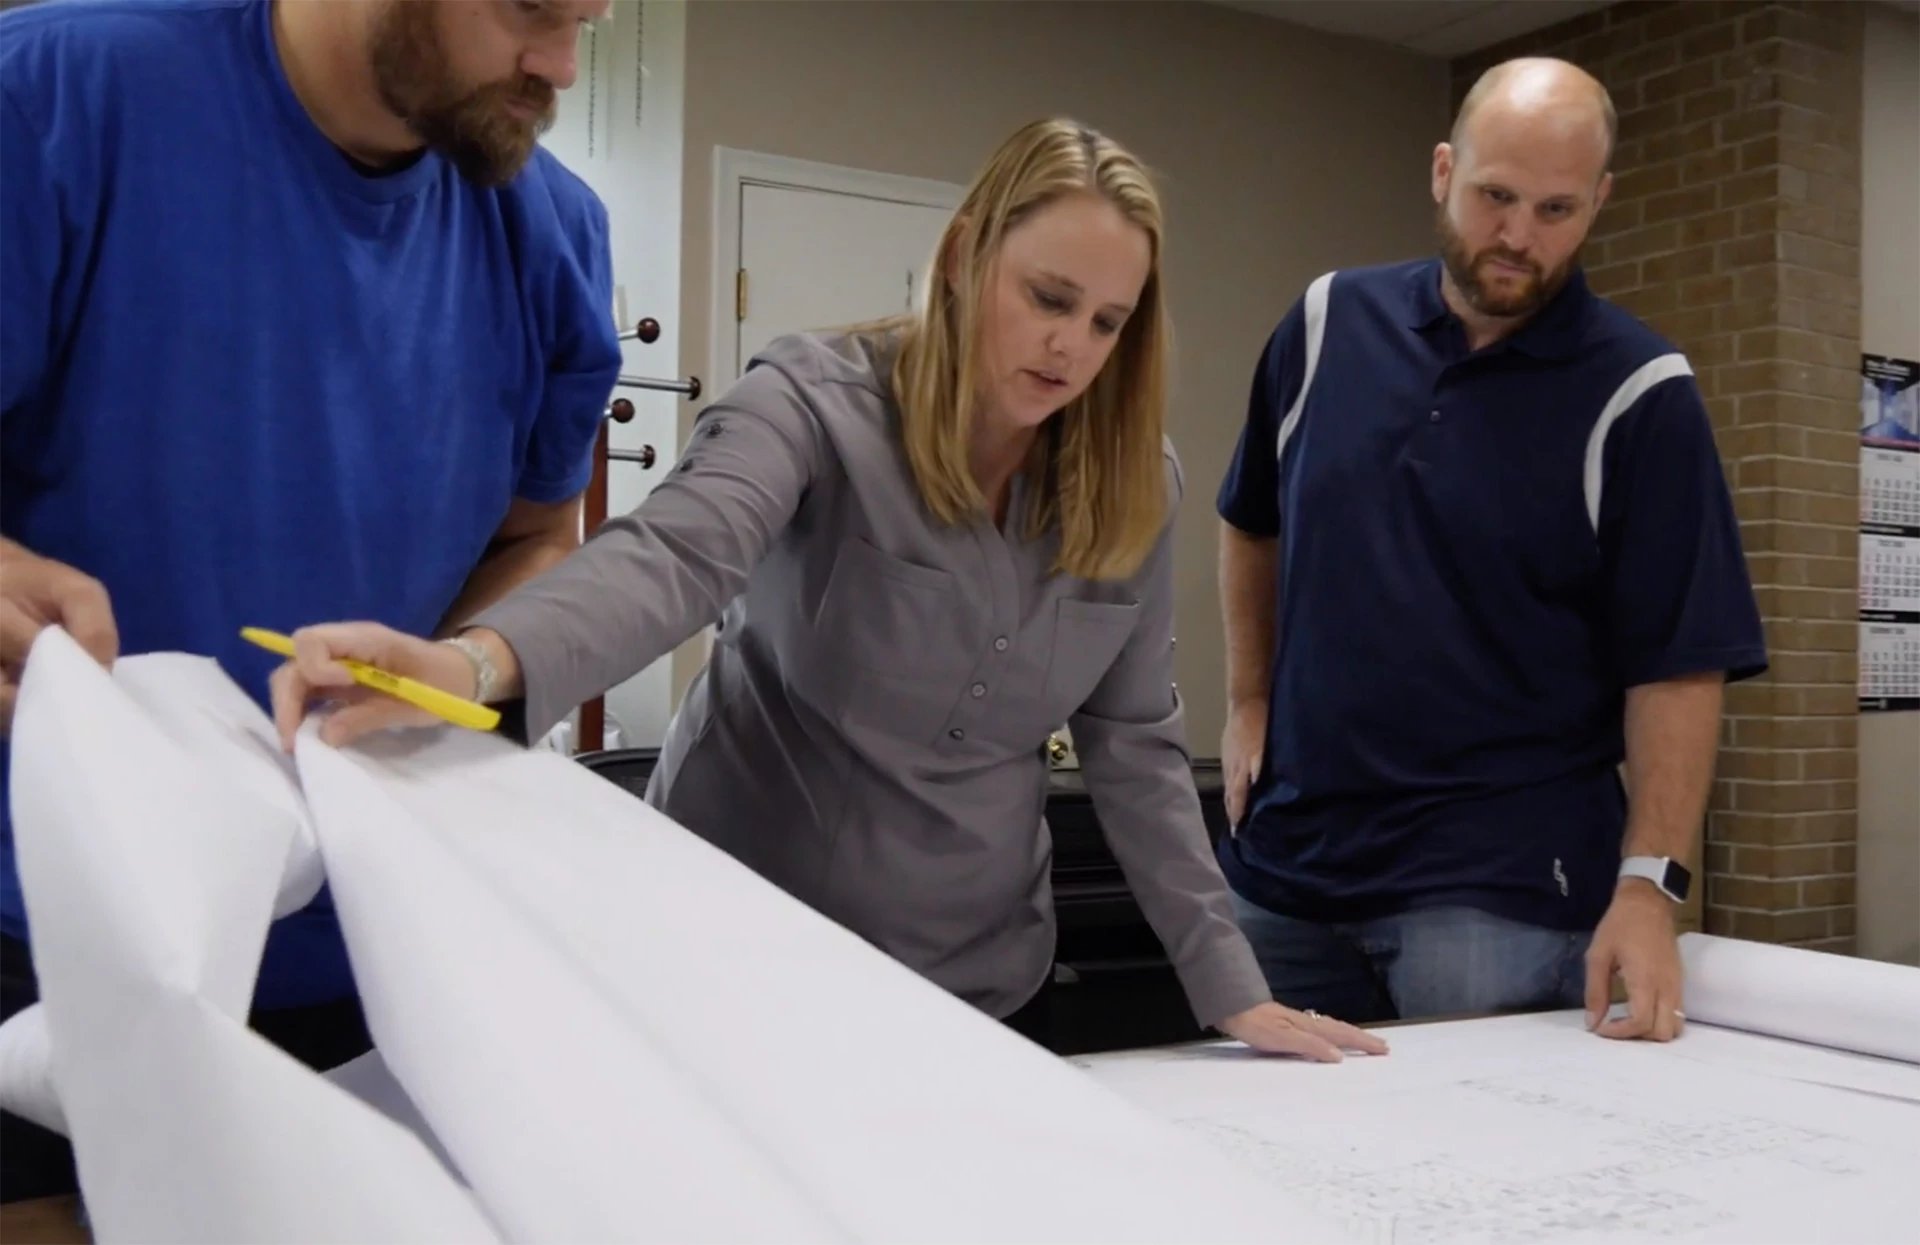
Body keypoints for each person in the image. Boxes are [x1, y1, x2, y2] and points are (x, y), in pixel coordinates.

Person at [268, 117, 1388, 1067]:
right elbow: (675, 555)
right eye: (1049, 297)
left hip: (982, 992)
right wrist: (474, 664)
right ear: (965, 255)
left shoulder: (1137, 484)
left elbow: (1136, 746)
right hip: (737, 962)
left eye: (1108, 321)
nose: (1071, 347)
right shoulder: (814, 402)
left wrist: (1228, 985)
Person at [1, 0, 617, 1201]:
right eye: (534, 9)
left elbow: (542, 537)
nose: (564, 66)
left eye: (589, 19)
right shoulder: (56, 102)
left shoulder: (552, 230)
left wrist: (457, 668)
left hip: (374, 962)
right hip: (43, 948)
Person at [1214, 58, 1767, 1041]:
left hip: (1497, 894)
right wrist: (1248, 698)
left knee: (1470, 1141)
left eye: (1556, 209)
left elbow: (1681, 665)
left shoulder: (1642, 393)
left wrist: (1649, 888)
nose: (1518, 237)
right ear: (1442, 172)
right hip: (1286, 868)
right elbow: (1250, 518)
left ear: (1598, 202)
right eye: (1495, 197)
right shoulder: (1325, 323)